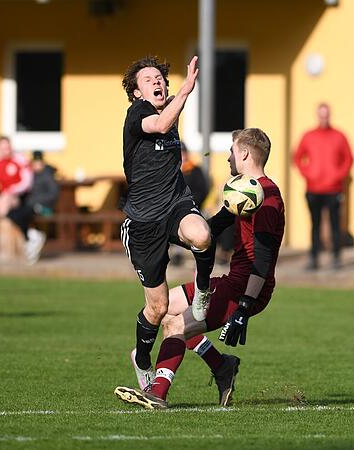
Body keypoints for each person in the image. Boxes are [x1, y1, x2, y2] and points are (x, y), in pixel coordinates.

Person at [115, 127, 284, 409]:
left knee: (175, 325)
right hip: (234, 281)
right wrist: (158, 230)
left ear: (244, 153)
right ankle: (221, 366)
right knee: (166, 306)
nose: (228, 158)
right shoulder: (243, 191)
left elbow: (264, 260)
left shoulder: (267, 197)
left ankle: (157, 393)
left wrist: (243, 307)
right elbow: (211, 229)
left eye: (231, 151)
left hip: (245, 288)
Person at [119, 55, 215, 391]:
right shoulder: (138, 115)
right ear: (136, 93)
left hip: (175, 204)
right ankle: (142, 360)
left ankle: (202, 289)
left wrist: (181, 95)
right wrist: (186, 91)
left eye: (160, 77)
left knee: (201, 234)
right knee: (157, 308)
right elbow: (159, 126)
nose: (157, 82)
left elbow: (169, 118)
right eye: (147, 79)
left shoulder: (169, 108)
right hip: (144, 222)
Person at [293, 103, 353, 270]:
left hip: (334, 189)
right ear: (317, 116)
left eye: (326, 114)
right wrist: (308, 174)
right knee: (315, 224)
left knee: (335, 224)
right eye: (321, 114)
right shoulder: (308, 136)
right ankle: (313, 258)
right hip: (313, 189)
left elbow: (348, 159)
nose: (324, 117)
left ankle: (336, 258)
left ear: (330, 115)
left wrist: (338, 176)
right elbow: (297, 158)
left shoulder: (339, 136)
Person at [7, 150, 59, 264]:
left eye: (39, 162)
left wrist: (37, 202)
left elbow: (53, 194)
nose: (36, 165)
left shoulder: (48, 175)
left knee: (24, 213)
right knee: (11, 213)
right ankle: (31, 235)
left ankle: (32, 237)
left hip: (44, 207)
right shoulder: (31, 175)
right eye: (34, 163)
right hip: (30, 206)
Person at [170, 143, 210, 266]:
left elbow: (203, 191)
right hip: (173, 209)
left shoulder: (195, 170)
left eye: (183, 152)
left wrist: (189, 202)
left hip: (195, 207)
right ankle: (175, 254)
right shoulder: (172, 171)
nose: (181, 155)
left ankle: (202, 256)